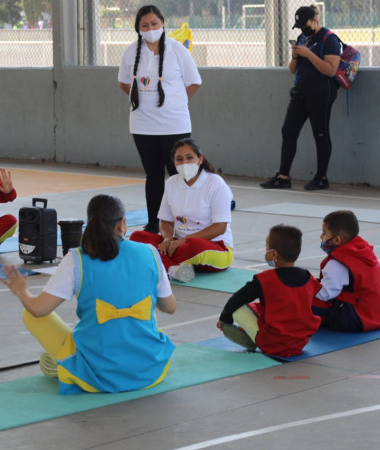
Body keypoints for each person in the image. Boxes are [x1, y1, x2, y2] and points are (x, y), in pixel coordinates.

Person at [0, 194, 176, 394]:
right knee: (145, 317)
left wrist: (21, 291)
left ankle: (63, 365)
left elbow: (38, 310)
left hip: (97, 374)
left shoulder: (76, 259)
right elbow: (170, 307)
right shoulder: (150, 253)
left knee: (30, 314)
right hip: (150, 370)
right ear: (122, 223)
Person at [118, 5, 202, 233]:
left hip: (175, 124)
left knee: (178, 173)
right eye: (145, 25)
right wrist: (141, 100)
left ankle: (183, 222)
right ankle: (154, 222)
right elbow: (124, 82)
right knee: (153, 174)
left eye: (154, 24)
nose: (150, 29)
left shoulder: (177, 50)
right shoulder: (131, 52)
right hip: (143, 125)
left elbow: (194, 81)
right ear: (138, 29)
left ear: (162, 23)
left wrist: (177, 101)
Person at [130, 138, 233, 283]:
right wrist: (167, 238)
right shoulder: (172, 182)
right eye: (179, 159)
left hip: (214, 247)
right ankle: (174, 269)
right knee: (137, 238)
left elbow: (220, 227)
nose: (185, 163)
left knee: (195, 247)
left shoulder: (215, 184)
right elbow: (165, 221)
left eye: (189, 157)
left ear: (200, 159)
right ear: (174, 162)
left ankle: (162, 263)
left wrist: (184, 241)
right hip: (178, 245)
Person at [260, 5, 341, 191]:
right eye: (300, 26)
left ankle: (321, 177)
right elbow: (292, 69)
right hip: (300, 90)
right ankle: (283, 176)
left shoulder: (329, 39)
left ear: (314, 20)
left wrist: (309, 54)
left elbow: (331, 70)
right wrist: (296, 56)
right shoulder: (302, 38)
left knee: (320, 133)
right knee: (288, 130)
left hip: (320, 91)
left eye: (305, 25)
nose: (303, 29)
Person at [216, 225, 321, 357]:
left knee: (240, 308)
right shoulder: (309, 278)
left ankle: (253, 339)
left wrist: (224, 319)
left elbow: (237, 299)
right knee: (267, 307)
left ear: (273, 254)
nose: (265, 250)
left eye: (266, 247)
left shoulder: (265, 279)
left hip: (271, 342)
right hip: (300, 341)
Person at [314, 210, 380, 331]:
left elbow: (325, 294)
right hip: (377, 312)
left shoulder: (337, 263)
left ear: (337, 240)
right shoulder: (364, 251)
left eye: (324, 233)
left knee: (302, 298)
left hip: (353, 317)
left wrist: (308, 286)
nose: (321, 237)